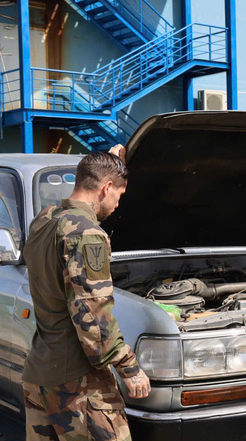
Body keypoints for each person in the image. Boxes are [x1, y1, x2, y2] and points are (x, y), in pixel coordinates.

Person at [21, 148, 150, 441]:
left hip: (40, 374)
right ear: (106, 188)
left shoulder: (44, 221)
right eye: (119, 195)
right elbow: (92, 315)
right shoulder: (85, 232)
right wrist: (130, 369)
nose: (118, 204)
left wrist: (114, 159)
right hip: (79, 385)